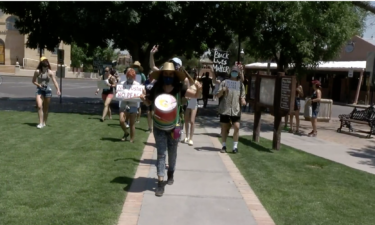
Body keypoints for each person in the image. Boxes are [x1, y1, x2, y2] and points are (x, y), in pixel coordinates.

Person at [140, 61, 202, 197]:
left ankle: (171, 173)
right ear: (162, 75)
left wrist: (198, 88)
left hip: (174, 127)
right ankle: (160, 183)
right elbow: (149, 101)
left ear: (174, 75)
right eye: (166, 74)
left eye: (170, 74)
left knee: (172, 153)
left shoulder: (179, 89)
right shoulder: (156, 88)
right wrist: (144, 100)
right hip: (158, 126)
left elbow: (197, 96)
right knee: (161, 153)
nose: (168, 76)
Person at [215, 66, 246, 153]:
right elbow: (218, 95)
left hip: (236, 109)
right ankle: (224, 146)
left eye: (236, 72)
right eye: (233, 71)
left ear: (238, 74)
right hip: (225, 109)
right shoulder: (224, 82)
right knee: (224, 128)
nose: (234, 73)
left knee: (237, 127)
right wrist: (223, 90)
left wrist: (243, 100)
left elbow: (243, 96)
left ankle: (235, 146)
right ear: (230, 72)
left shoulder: (240, 85)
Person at [32, 57, 61, 128]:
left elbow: (54, 81)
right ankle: (40, 123)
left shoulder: (50, 72)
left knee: (46, 108)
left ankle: (44, 122)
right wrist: (38, 85)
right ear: (41, 66)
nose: (45, 68)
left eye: (46, 66)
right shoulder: (37, 71)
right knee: (39, 106)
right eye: (44, 67)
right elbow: (33, 81)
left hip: (47, 90)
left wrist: (58, 89)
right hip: (39, 90)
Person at [118, 68, 145, 142]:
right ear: (127, 76)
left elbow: (142, 94)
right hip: (124, 104)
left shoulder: (137, 85)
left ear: (134, 77)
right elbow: (118, 92)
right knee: (121, 120)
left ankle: (132, 139)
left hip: (133, 104)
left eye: (131, 77)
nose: (130, 78)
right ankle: (126, 133)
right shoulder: (123, 83)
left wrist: (143, 92)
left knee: (132, 123)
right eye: (128, 76)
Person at [182, 69, 199, 146]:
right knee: (186, 120)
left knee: (192, 121)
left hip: (193, 102)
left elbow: (199, 94)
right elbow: (184, 92)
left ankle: (191, 138)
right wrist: (186, 97)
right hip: (187, 102)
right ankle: (186, 136)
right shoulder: (186, 81)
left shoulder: (196, 83)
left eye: (192, 74)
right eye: (190, 73)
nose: (191, 75)